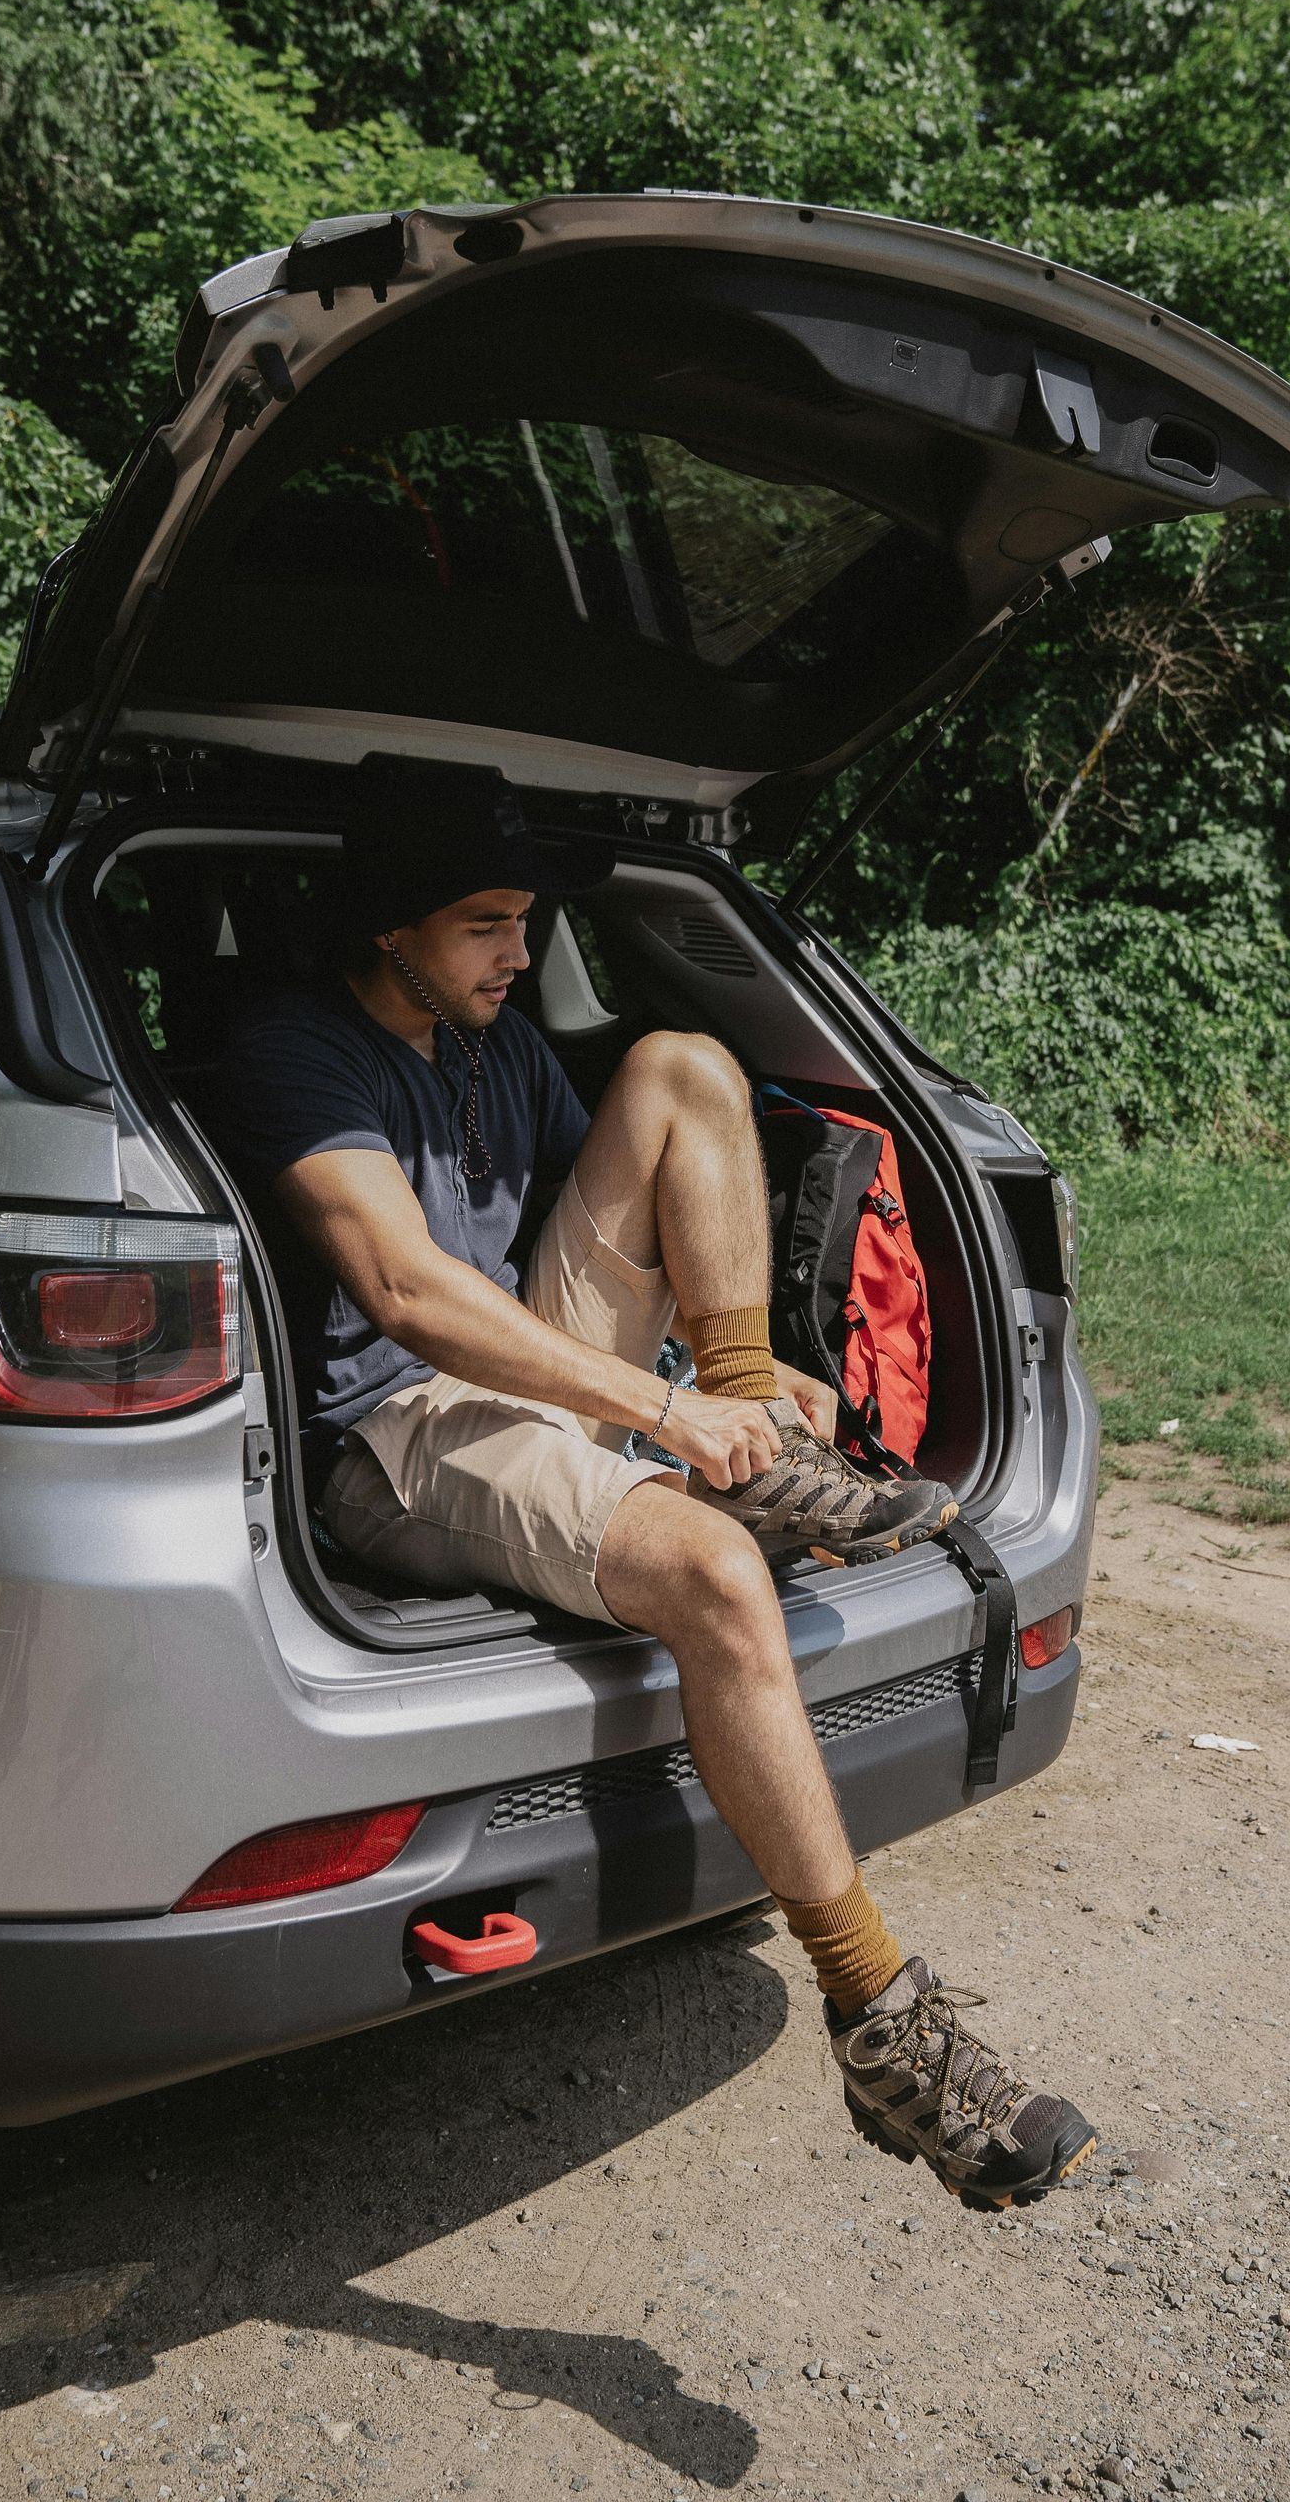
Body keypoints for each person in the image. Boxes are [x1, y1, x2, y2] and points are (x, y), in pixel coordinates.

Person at [220, 767, 1096, 2209]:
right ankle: (886, 2027)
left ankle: (761, 1435)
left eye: (527, 921)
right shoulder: (292, 1051)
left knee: (682, 1065)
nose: (518, 954)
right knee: (715, 1578)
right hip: (392, 1432)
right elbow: (408, 1290)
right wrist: (660, 1413)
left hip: (525, 1376)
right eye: (484, 926)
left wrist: (730, 1370)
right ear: (390, 932)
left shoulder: (487, 1041)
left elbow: (625, 1206)